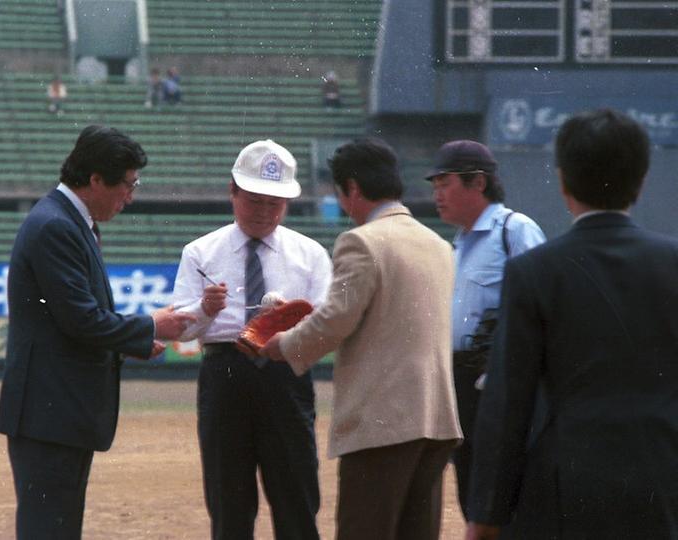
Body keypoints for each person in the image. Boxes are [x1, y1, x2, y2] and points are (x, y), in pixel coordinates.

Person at [466, 109, 678, 540]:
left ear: (563, 183)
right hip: (664, 479)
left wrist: (486, 515)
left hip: (566, 488)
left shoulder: (534, 271)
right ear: (639, 182)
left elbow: (508, 403)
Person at [0, 125, 195, 539]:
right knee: (49, 529)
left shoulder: (71, 222)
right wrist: (150, 325)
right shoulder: (56, 226)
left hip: (58, 412)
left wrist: (134, 343)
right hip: (49, 413)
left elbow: (74, 325)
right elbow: (81, 319)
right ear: (95, 179)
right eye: (126, 185)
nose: (130, 197)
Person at [260, 138, 462, 540]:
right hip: (435, 419)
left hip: (382, 421)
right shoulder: (438, 245)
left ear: (351, 188)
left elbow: (337, 320)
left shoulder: (362, 242)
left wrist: (282, 346)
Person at [171, 139, 333, 540]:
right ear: (232, 191)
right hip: (224, 372)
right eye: (254, 201)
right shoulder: (200, 252)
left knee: (296, 492)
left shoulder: (310, 255)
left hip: (285, 372)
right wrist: (206, 310)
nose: (264, 213)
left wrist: (288, 330)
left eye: (274, 204)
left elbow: (327, 325)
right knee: (228, 498)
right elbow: (183, 331)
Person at [425, 140, 545, 521]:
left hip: (498, 380)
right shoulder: (457, 246)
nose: (437, 194)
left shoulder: (514, 230)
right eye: (435, 186)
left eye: (445, 183)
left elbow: (541, 309)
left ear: (478, 182)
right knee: (472, 491)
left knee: (508, 493)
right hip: (459, 384)